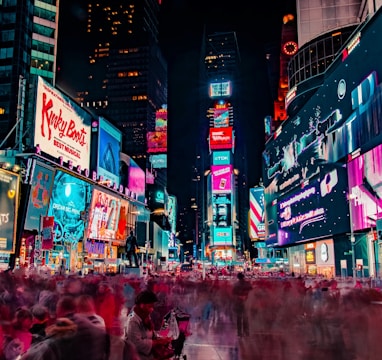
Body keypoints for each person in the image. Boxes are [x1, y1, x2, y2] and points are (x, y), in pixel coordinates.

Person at [125, 290, 173, 360]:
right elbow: (136, 344)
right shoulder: (133, 320)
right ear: (142, 305)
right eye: (150, 306)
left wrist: (162, 339)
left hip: (147, 354)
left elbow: (151, 335)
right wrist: (157, 342)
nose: (152, 309)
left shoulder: (145, 316)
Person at [231, 272, 252, 337]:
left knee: (239, 318)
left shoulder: (236, 285)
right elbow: (251, 291)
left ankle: (240, 332)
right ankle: (246, 332)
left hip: (238, 302)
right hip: (246, 302)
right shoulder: (247, 284)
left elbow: (233, 294)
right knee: (245, 317)